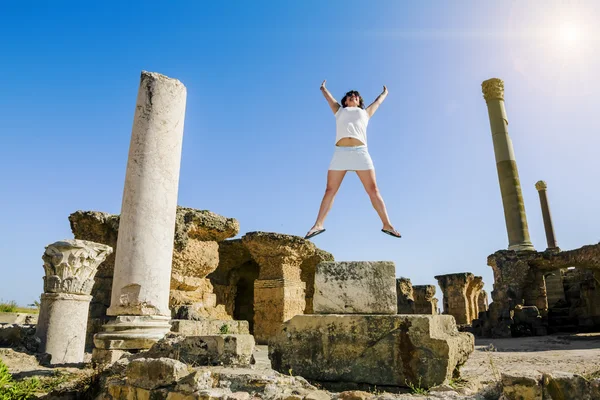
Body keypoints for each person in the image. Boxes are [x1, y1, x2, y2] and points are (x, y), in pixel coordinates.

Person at [304, 80, 401, 240]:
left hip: (360, 153)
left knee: (373, 190)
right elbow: (329, 99)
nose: (353, 96)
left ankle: (387, 225)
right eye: (350, 95)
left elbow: (377, 102)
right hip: (340, 153)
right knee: (330, 190)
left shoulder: (365, 112)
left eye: (356, 95)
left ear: (359, 101)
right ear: (345, 101)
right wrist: (323, 88)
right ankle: (318, 225)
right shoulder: (339, 111)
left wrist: (385, 93)